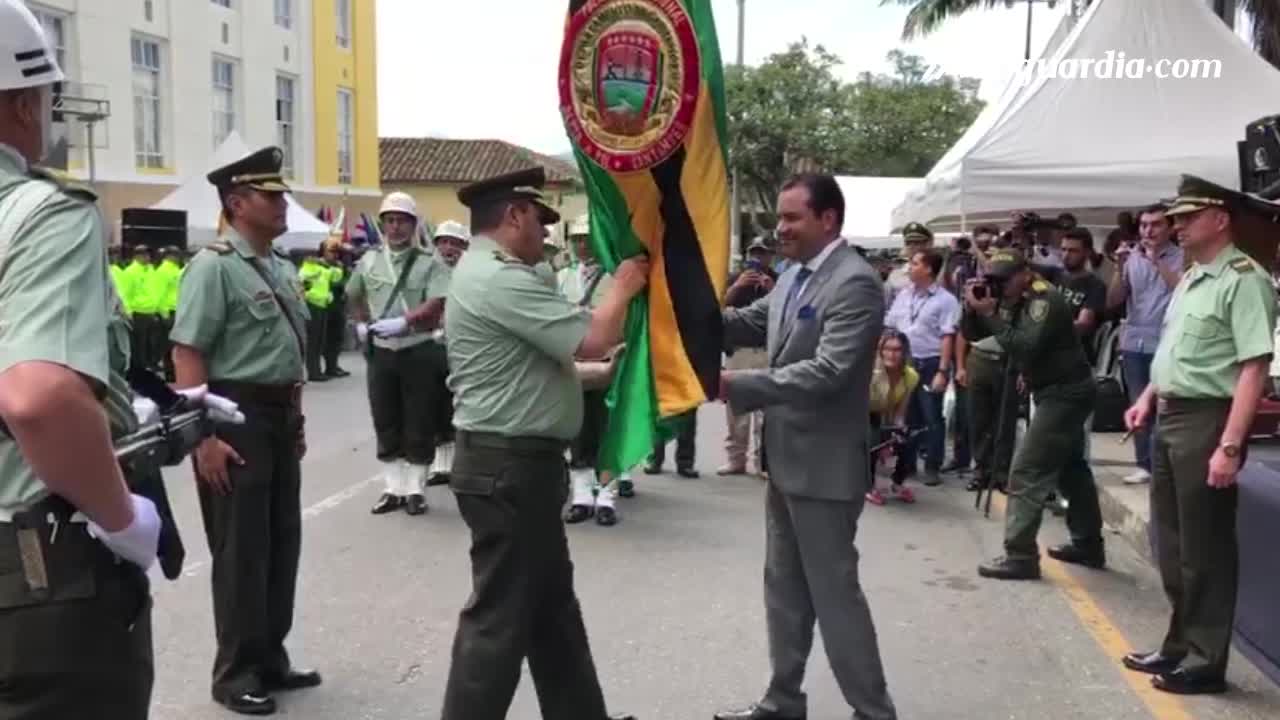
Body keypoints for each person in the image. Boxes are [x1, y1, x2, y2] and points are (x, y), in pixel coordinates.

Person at [0, 3, 160, 713]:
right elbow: (38, 396)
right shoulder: (41, 213)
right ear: (24, 103)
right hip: (33, 569)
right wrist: (123, 519)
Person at [440, 167, 643, 720]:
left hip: (515, 463)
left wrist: (596, 375)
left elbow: (525, 370)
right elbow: (592, 335)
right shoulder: (500, 277)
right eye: (539, 220)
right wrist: (623, 284)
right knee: (500, 619)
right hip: (509, 466)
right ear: (513, 216)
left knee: (552, 610)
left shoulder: (488, 272)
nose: (544, 234)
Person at [717, 173, 896, 720]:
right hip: (786, 461)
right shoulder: (793, 274)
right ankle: (783, 699)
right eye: (780, 216)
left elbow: (830, 371)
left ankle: (872, 711)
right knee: (785, 593)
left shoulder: (855, 282)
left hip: (824, 468)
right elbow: (749, 323)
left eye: (792, 217)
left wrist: (734, 388)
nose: (781, 227)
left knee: (834, 597)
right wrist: (683, 321)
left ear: (828, 219)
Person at [170, 146, 320, 715]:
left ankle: (269, 656)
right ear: (236, 203)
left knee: (283, 542)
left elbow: (291, 351)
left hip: (279, 416)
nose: (283, 204)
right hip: (234, 418)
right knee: (241, 551)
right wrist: (202, 437)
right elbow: (188, 356)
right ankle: (234, 673)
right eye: (271, 195)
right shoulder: (213, 267)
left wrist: (298, 415)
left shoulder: (279, 266)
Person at [1121, 176, 1279, 696]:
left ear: (1220, 218)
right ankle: (1178, 644)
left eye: (1188, 217)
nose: (1177, 225)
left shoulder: (1243, 279)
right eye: (1176, 217)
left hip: (1208, 417)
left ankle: (1206, 660)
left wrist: (1231, 445)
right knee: (1170, 543)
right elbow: (1173, 345)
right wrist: (1147, 397)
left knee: (1204, 547)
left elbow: (1254, 367)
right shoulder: (1192, 276)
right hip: (1170, 413)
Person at [962, 250, 1105, 580]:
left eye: (1004, 279)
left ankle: (1021, 555)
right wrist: (973, 309)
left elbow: (1024, 344)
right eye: (993, 279)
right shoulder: (1012, 297)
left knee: (1027, 470)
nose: (999, 286)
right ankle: (1088, 544)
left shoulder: (1044, 299)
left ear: (1024, 273)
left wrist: (990, 314)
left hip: (1066, 392)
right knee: (1070, 470)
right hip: (1051, 388)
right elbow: (975, 335)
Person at [347, 191, 450, 517]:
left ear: (413, 224)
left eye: (402, 221)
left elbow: (437, 302)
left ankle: (416, 489)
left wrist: (406, 321)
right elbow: (354, 293)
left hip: (417, 347)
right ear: (382, 225)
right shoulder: (369, 260)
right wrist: (362, 323)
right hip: (383, 350)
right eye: (390, 221)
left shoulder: (428, 261)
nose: (396, 227)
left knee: (419, 418)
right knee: (385, 416)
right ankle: (393, 487)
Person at [1107, 204, 1185, 485]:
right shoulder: (1131, 258)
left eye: (1155, 225)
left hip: (1166, 340)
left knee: (1166, 405)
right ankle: (1144, 463)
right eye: (1143, 225)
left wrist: (1155, 260)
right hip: (1134, 340)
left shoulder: (1182, 256)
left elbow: (1182, 289)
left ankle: (1166, 465)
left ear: (1170, 228)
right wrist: (1119, 266)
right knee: (1138, 403)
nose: (1148, 231)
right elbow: (1114, 300)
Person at [560, 213, 629, 526]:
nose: (583, 245)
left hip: (608, 360)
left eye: (588, 238)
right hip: (572, 360)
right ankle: (582, 497)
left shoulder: (616, 279)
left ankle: (606, 498)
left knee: (607, 430)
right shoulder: (560, 277)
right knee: (578, 431)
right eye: (577, 239)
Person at [883, 248, 961, 485]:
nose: (910, 267)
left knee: (931, 416)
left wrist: (942, 371)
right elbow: (890, 325)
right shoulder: (905, 295)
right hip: (904, 363)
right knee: (907, 416)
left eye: (915, 263)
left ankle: (932, 466)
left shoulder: (946, 300)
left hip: (930, 363)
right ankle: (907, 464)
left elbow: (948, 336)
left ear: (928, 269)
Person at [721, 237, 777, 476]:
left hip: (767, 351)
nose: (757, 258)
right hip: (739, 351)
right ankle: (736, 460)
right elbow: (718, 305)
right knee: (737, 413)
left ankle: (762, 462)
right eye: (753, 253)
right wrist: (737, 286)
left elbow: (789, 309)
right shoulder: (735, 278)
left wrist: (772, 289)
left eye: (762, 253)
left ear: (770, 256)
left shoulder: (780, 280)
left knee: (766, 414)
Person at [424, 220, 470, 485]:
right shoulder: (426, 271)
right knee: (436, 403)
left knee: (464, 403)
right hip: (433, 344)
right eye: (443, 242)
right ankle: (442, 464)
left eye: (455, 243)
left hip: (466, 347)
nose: (448, 248)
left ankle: (465, 461)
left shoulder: (472, 273)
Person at [866, 330, 920, 505]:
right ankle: (868, 486)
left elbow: (900, 411)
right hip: (864, 414)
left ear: (904, 352)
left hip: (887, 415)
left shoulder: (910, 376)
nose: (891, 354)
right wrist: (883, 440)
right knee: (873, 438)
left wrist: (896, 433)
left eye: (897, 350)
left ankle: (897, 483)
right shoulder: (869, 373)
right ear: (880, 351)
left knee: (907, 439)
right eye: (887, 349)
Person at [298, 246, 332, 382]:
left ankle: (317, 370)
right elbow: (302, 289)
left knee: (319, 341)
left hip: (322, 305)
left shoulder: (320, 269)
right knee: (312, 341)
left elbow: (334, 276)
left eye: (314, 255)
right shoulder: (304, 271)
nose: (313, 258)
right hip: (311, 306)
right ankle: (313, 372)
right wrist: (311, 294)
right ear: (305, 258)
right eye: (309, 255)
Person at [321, 240, 351, 379]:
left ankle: (334, 365)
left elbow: (348, 282)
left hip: (339, 305)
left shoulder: (340, 266)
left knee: (337, 337)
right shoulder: (319, 266)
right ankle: (329, 367)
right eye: (331, 251)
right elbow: (330, 283)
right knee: (327, 338)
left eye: (336, 252)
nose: (335, 255)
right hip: (324, 305)